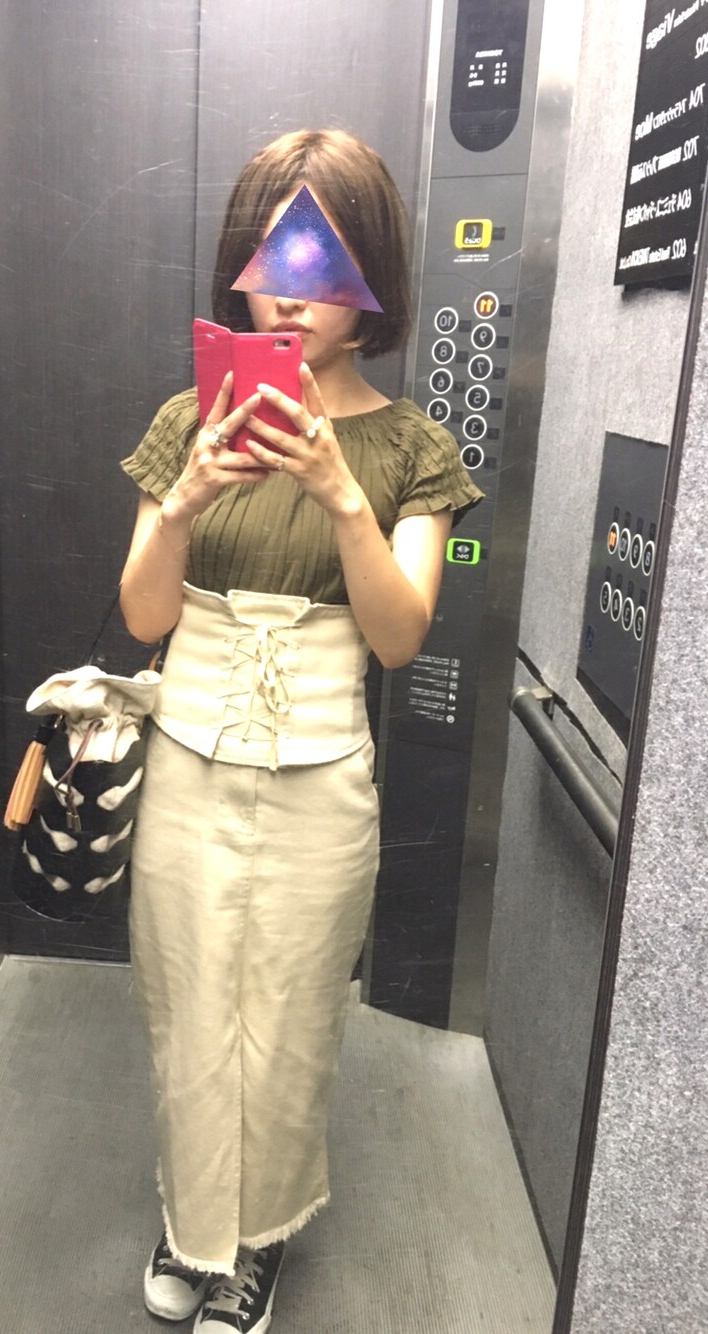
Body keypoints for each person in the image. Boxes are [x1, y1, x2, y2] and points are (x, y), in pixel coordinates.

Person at [118, 129, 483, 1333]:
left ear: (368, 275)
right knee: (185, 1000)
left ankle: (257, 1237)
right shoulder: (189, 417)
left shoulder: (411, 446)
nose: (288, 293)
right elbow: (143, 613)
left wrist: (337, 495)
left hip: (322, 773)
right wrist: (184, 499)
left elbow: (398, 636)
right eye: (270, 259)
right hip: (187, 758)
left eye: (319, 264)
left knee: (288, 1013)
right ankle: (194, 1218)